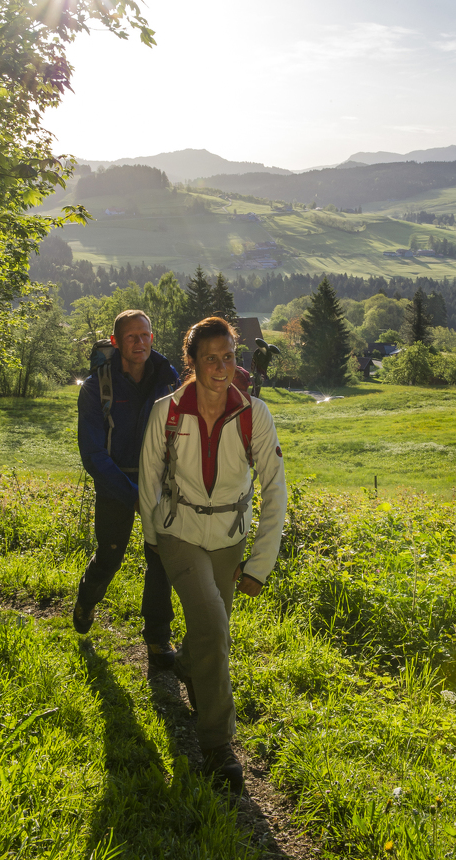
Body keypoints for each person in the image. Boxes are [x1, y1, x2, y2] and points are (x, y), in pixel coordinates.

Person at [139, 316, 287, 790]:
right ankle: (218, 746)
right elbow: (147, 479)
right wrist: (152, 540)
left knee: (210, 630)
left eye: (228, 356)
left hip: (229, 537)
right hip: (178, 531)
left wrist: (260, 563)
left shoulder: (253, 414)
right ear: (193, 362)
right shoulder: (167, 411)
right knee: (213, 623)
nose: (222, 367)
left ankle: (187, 666)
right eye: (210, 358)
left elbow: (275, 488)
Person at [74, 309, 181, 674]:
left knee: (161, 558)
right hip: (114, 484)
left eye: (146, 335)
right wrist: (130, 492)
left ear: (153, 337)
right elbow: (92, 453)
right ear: (117, 342)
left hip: (161, 483)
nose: (140, 342)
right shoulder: (96, 387)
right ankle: (86, 598)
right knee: (111, 555)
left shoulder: (169, 380)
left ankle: (157, 637)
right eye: (132, 337)